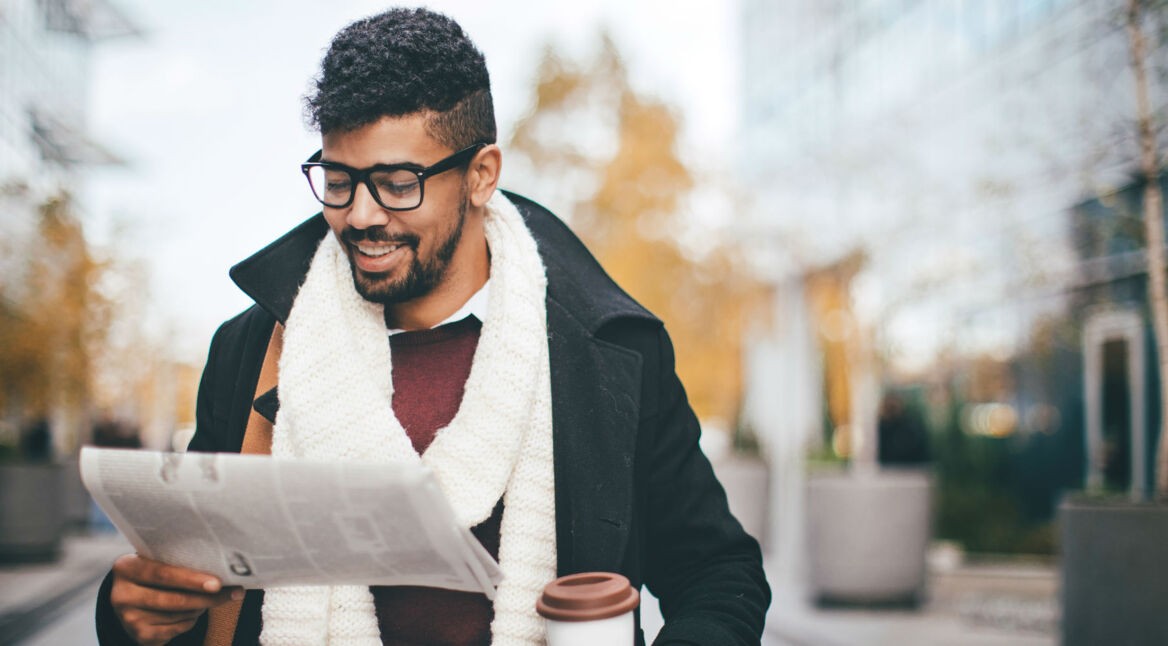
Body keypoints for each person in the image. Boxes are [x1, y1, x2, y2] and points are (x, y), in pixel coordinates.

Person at [95, 7, 769, 645]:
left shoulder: (610, 350)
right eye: (338, 179)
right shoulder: (254, 346)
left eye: (396, 182)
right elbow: (191, 579)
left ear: (481, 175)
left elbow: (717, 574)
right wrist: (132, 615)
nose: (359, 215)